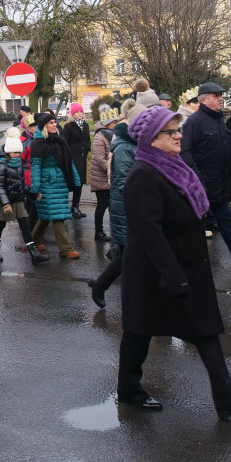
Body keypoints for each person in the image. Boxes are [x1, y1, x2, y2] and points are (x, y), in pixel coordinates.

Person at [118, 106, 231, 420]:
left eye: (178, 129)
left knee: (206, 331)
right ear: (152, 138)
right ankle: (129, 390)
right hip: (156, 271)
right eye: (172, 131)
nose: (179, 136)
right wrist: (173, 275)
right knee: (139, 332)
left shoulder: (175, 167)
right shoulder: (142, 176)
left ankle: (228, 398)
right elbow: (149, 233)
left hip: (188, 265)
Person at [180, 82, 231, 272]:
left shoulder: (219, 120)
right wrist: (197, 180)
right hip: (202, 185)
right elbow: (185, 152)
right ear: (204, 99)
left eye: (221, 96)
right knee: (191, 227)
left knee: (226, 221)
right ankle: (186, 266)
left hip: (220, 183)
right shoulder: (195, 121)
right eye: (216, 96)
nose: (221, 99)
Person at [88, 99, 147, 309]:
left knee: (130, 255)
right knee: (129, 255)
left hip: (139, 208)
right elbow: (123, 184)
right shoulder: (124, 148)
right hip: (128, 209)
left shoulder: (139, 143)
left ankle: (101, 284)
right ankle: (103, 285)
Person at [0, 131, 48, 264]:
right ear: (8, 152)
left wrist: (33, 193)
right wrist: (5, 204)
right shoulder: (0, 167)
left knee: (25, 226)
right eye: (15, 152)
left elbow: (22, 185)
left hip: (18, 201)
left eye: (19, 152)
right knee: (1, 225)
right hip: (6, 202)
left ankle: (34, 254)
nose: (18, 154)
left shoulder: (18, 166)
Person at [30, 110, 81, 259]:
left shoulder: (59, 140)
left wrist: (76, 180)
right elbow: (35, 167)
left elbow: (68, 161)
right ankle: (66, 249)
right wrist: (36, 188)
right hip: (47, 182)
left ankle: (33, 240)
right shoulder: (38, 143)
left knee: (48, 213)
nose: (55, 124)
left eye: (55, 122)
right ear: (44, 126)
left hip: (60, 181)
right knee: (57, 215)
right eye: (51, 122)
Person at [90, 107, 118, 241]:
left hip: (110, 176)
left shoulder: (113, 135)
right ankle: (98, 232)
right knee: (102, 205)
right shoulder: (100, 137)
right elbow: (99, 158)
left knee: (112, 204)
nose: (116, 124)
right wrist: (112, 169)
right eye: (114, 122)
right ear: (108, 124)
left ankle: (114, 229)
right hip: (101, 177)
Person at [61, 103, 92, 219]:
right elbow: (65, 143)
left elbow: (87, 140)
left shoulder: (86, 125)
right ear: (73, 114)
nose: (80, 113)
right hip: (73, 159)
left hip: (82, 158)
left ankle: (75, 206)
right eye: (77, 112)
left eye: (81, 111)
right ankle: (67, 206)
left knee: (80, 183)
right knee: (74, 183)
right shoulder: (69, 126)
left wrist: (87, 149)